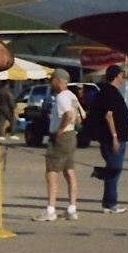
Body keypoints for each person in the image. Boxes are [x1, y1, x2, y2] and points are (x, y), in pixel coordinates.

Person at [35, 70, 81, 221]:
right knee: (69, 171)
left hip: (62, 136)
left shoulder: (61, 96)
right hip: (72, 135)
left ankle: (50, 209)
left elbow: (68, 114)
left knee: (51, 172)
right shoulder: (72, 96)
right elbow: (80, 117)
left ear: (58, 80)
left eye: (52, 79)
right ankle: (72, 208)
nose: (51, 82)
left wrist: (59, 130)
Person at [88, 65, 128, 213]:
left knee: (113, 168)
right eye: (121, 75)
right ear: (117, 76)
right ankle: (111, 202)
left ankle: (108, 200)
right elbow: (108, 115)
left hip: (115, 137)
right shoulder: (109, 93)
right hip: (112, 137)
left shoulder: (108, 92)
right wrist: (114, 137)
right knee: (114, 169)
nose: (122, 78)